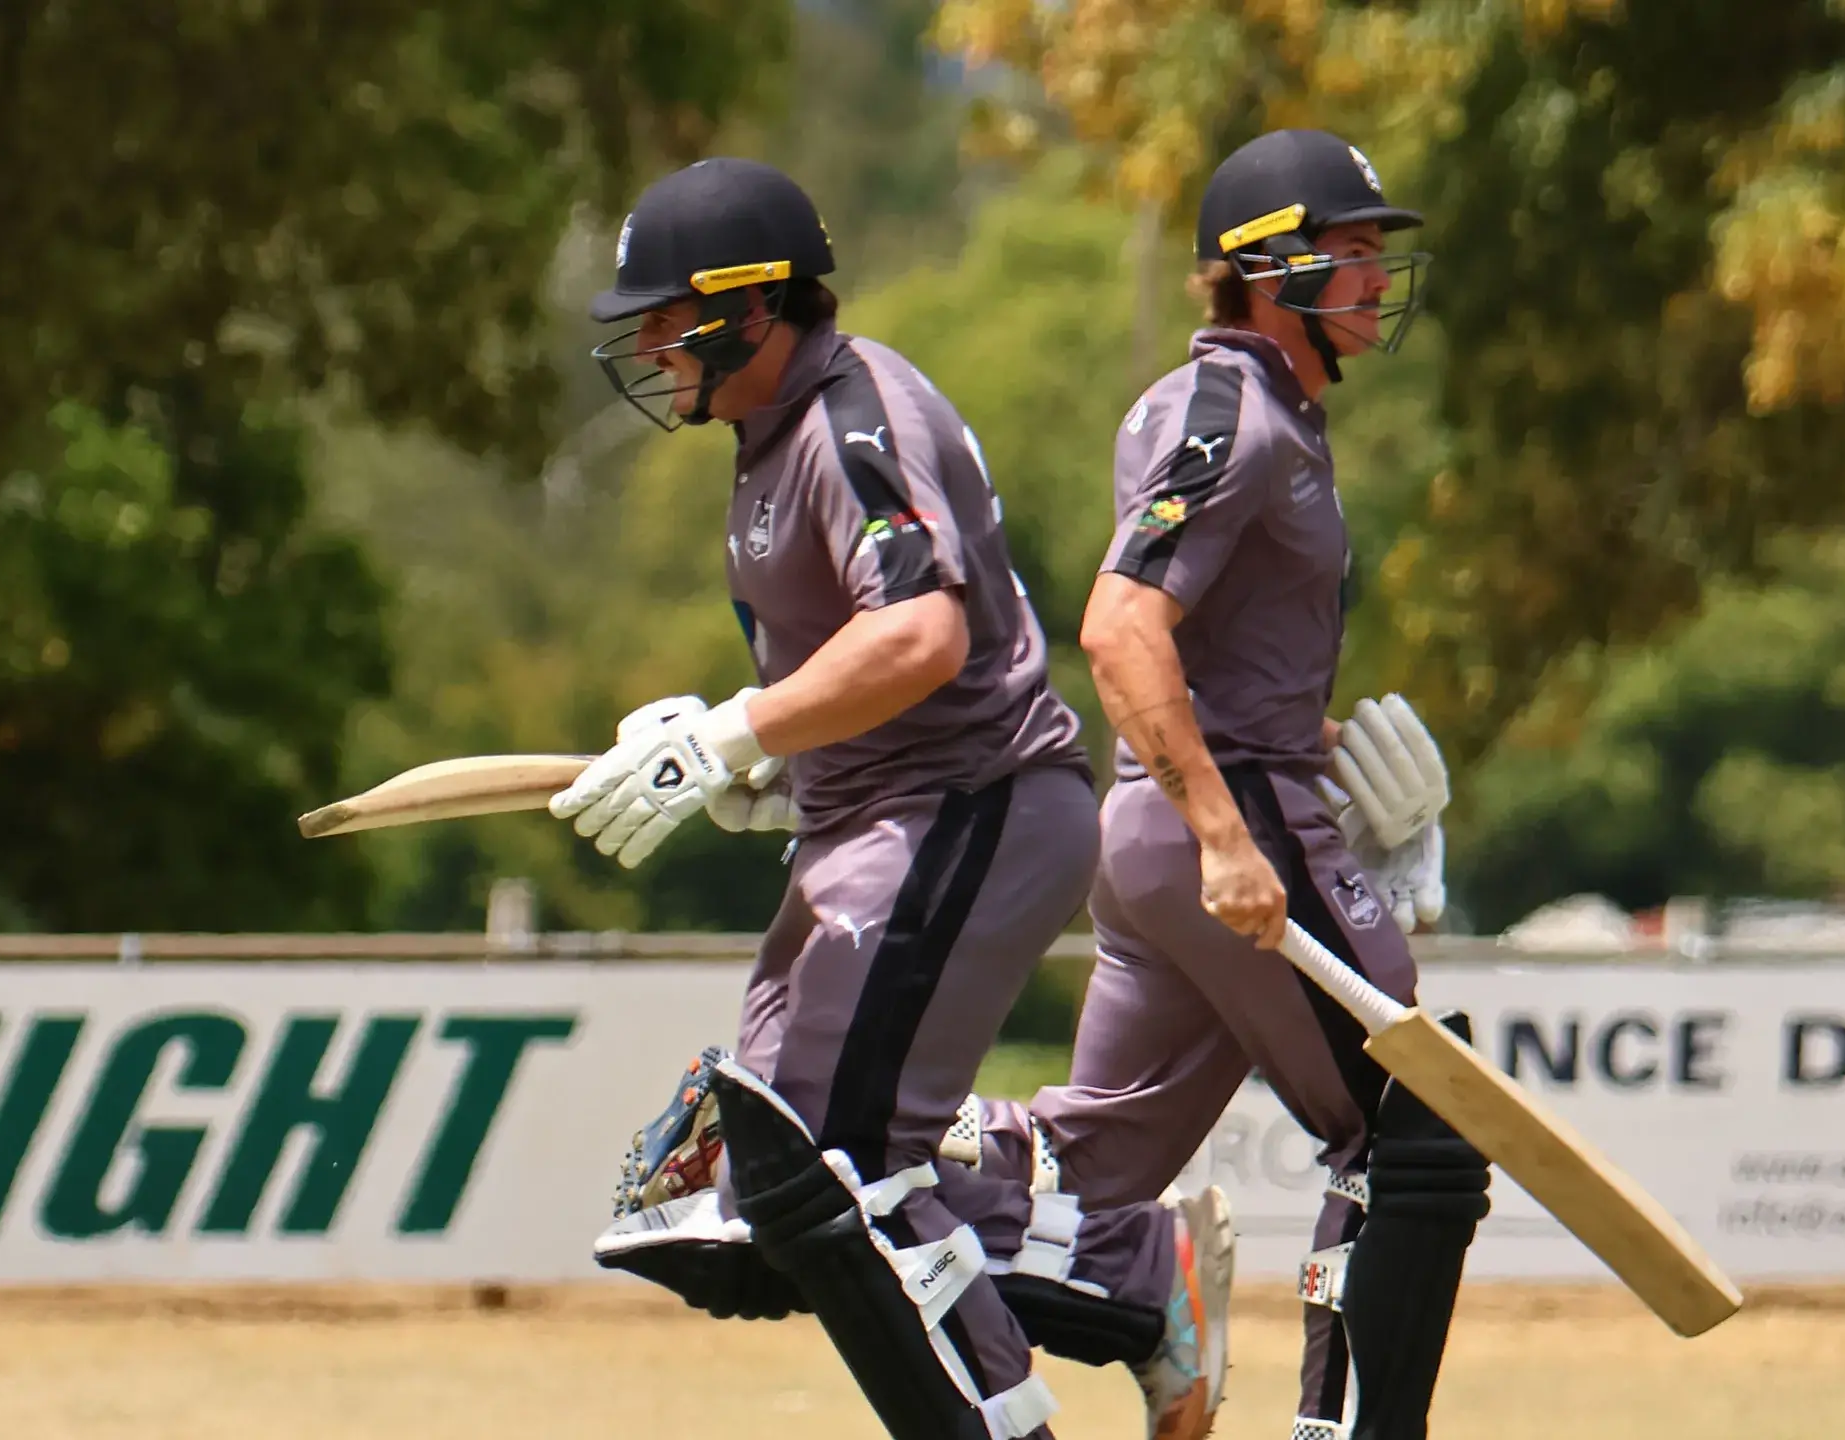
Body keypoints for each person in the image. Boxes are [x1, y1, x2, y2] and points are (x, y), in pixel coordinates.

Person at [551, 156, 1230, 1440]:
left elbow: (920, 634)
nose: (646, 344)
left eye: (666, 314)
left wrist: (731, 735)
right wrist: (777, 762)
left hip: (968, 807)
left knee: (835, 1176)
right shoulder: (766, 439)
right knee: (760, 1204)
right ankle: (1132, 1276)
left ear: (751, 306)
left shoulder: (851, 415)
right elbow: (854, 668)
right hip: (875, 823)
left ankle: (1056, 1370)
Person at [952, 128, 1486, 1440]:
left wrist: (1331, 779)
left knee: (1091, 1164)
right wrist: (1229, 834)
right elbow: (1121, 626)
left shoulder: (1267, 415)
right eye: (1345, 251)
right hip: (1223, 821)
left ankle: (890, 1163)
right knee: (1413, 1125)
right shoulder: (1233, 413)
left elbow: (1216, 656)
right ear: (1263, 269)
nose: (1374, 276)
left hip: (1188, 824)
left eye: (1375, 251)